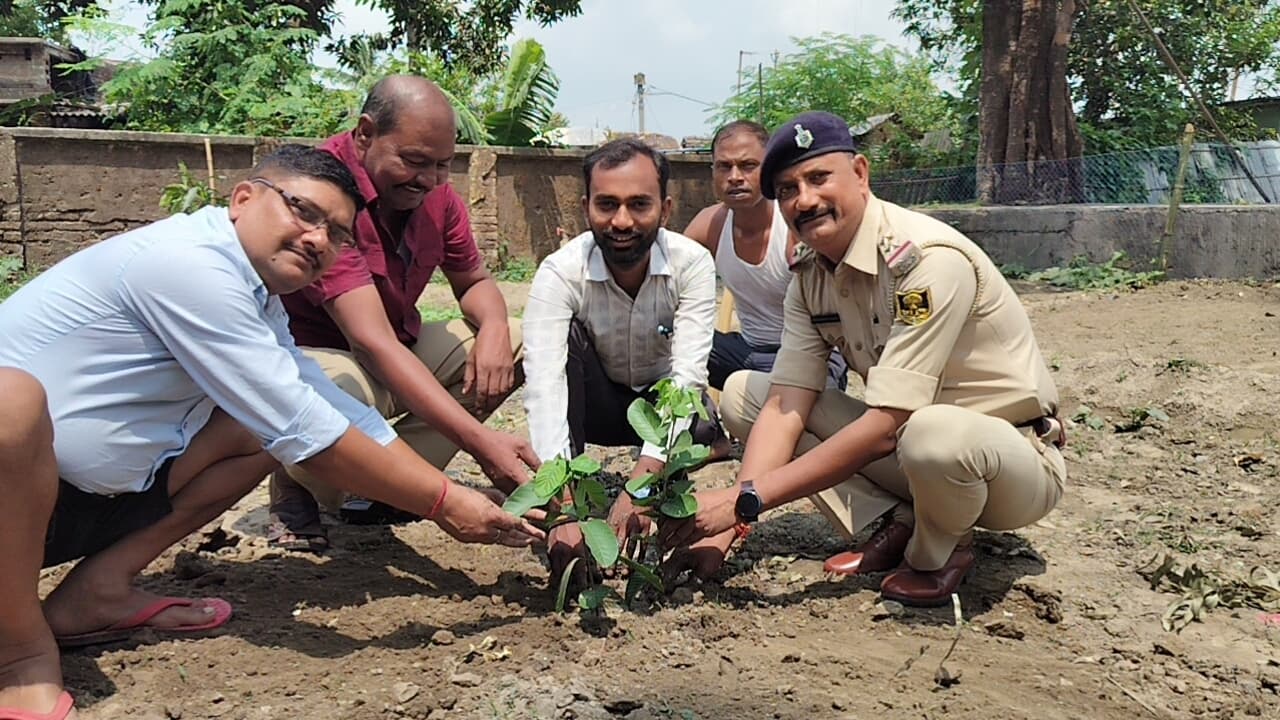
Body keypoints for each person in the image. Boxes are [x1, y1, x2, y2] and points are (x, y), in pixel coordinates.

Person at [0, 145, 541, 719]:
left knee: (250, 430)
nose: (318, 240)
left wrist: (451, 479)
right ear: (243, 198)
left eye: (336, 234)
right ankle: (16, 651)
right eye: (305, 212)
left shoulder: (259, 297)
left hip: (73, 506)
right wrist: (444, 503)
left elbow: (318, 400)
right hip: (18, 502)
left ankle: (96, 595)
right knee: (13, 403)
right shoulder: (185, 263)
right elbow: (302, 426)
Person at [661, 112, 1066, 606]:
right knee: (749, 394)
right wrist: (724, 531)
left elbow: (887, 423)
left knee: (932, 432)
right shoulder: (811, 274)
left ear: (860, 173)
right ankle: (894, 522)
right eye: (788, 189)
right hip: (912, 454)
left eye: (817, 178)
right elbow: (788, 401)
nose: (804, 200)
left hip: (1005, 466)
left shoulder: (925, 259)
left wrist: (743, 500)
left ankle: (936, 552)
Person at [271, 75, 533, 551]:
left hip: (396, 347)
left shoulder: (438, 197)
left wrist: (494, 326)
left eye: (442, 165)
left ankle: (394, 490)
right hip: (324, 361)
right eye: (414, 162)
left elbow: (472, 280)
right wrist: (482, 443)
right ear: (365, 133)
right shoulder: (326, 193)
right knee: (342, 394)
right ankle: (300, 486)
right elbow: (370, 342)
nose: (429, 180)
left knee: (518, 340)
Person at [521, 138, 726, 586]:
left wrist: (642, 487)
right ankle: (574, 491)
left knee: (698, 415)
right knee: (568, 342)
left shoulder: (692, 264)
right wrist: (561, 508)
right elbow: (544, 387)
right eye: (607, 204)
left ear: (666, 209)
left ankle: (669, 483)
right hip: (596, 406)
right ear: (585, 207)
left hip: (658, 405)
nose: (622, 221)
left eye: (639, 205)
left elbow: (687, 379)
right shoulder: (560, 271)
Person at [684, 120, 847, 391]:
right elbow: (665, 277)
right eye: (724, 166)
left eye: (748, 166)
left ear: (769, 169)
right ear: (712, 172)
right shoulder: (709, 225)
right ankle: (697, 423)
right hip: (745, 353)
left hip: (810, 355)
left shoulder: (796, 224)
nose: (735, 176)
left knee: (805, 402)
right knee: (668, 336)